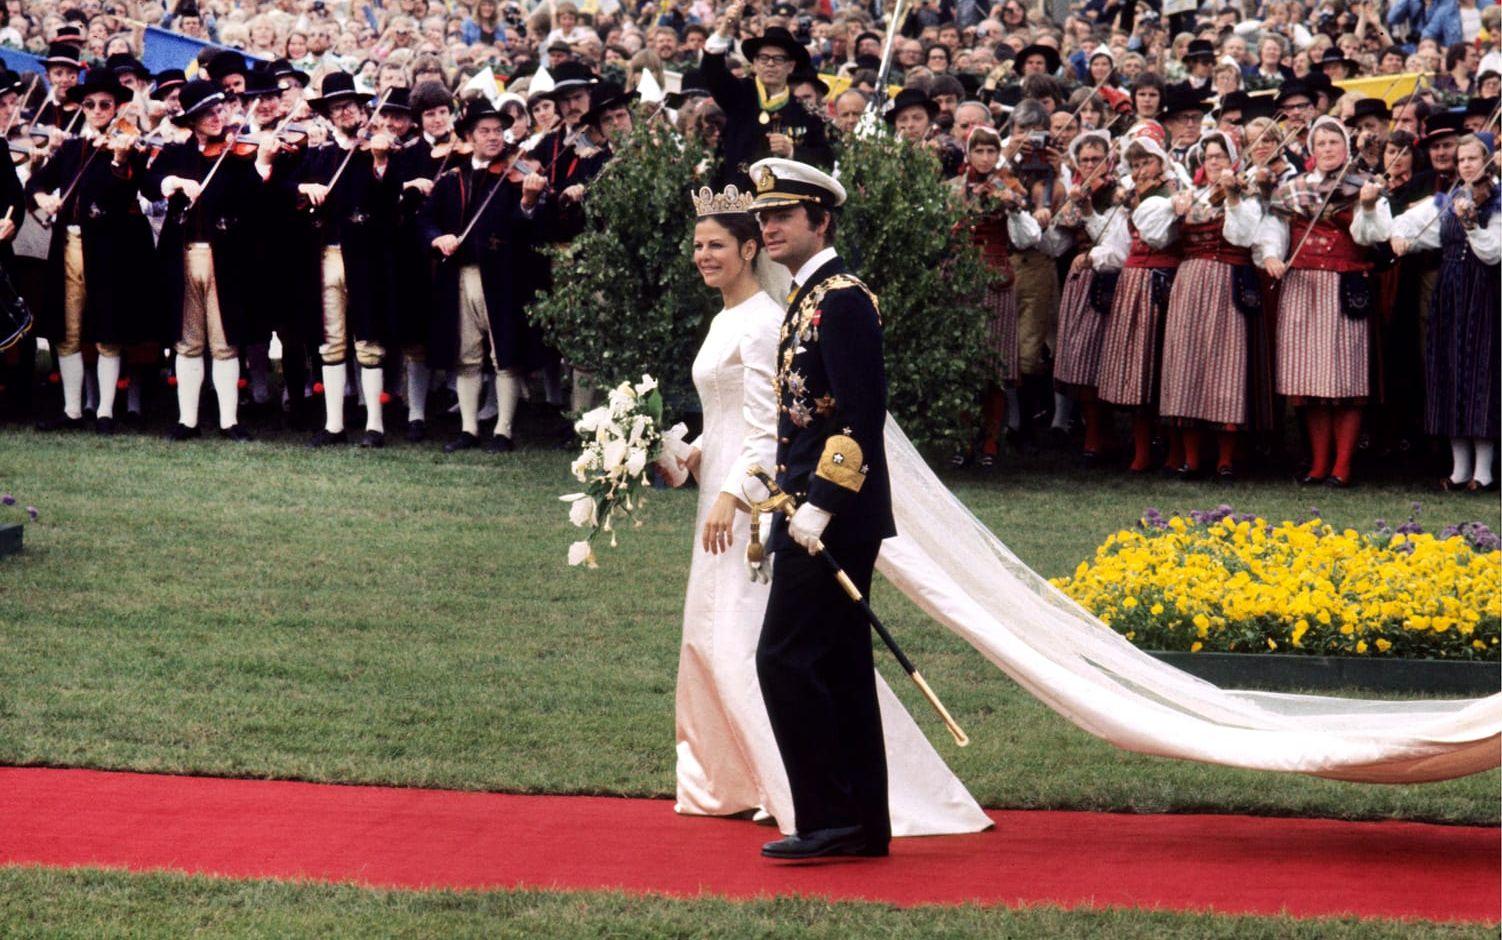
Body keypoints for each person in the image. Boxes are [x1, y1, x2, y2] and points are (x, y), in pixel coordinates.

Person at [748, 157, 896, 860]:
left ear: (821, 219)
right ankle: (859, 824)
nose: (769, 225)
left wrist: (823, 507)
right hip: (811, 510)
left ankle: (832, 817)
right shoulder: (809, 295)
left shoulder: (840, 299)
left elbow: (863, 419)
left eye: (783, 215)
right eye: (763, 216)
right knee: (836, 664)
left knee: (782, 658)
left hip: (831, 516)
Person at [1257, 116, 1393, 487]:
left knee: (1344, 382)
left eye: (1335, 142)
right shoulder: (1294, 188)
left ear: (1346, 149)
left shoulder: (1363, 186)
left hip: (1344, 285)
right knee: (1310, 382)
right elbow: (1274, 227)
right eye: (1322, 144)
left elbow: (1374, 235)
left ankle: (1343, 464)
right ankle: (1318, 462)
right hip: (1303, 284)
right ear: (1312, 151)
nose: (1328, 149)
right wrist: (1271, 254)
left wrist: (1365, 206)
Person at [26, 70, 158, 435]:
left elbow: (141, 188)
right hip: (68, 244)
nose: (97, 110)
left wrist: (120, 162)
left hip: (110, 250)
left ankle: (104, 411)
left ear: (117, 108)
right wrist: (43, 198)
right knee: (67, 331)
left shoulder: (127, 147)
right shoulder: (71, 148)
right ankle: (70, 410)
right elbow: (38, 182)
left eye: (105, 105)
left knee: (107, 329)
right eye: (90, 105)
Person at [144, 80, 276, 442]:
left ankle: (229, 420)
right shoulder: (176, 154)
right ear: (192, 121)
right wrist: (173, 182)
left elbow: (255, 199)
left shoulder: (234, 157)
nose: (217, 118)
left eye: (219, 110)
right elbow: (149, 181)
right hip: (184, 255)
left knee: (225, 341)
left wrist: (260, 163)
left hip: (226, 259)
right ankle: (187, 420)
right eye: (208, 113)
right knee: (187, 341)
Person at [420, 99, 546, 453]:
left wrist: (529, 202)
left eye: (498, 131)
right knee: (466, 354)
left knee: (504, 353)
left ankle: (504, 429)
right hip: (461, 276)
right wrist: (437, 237)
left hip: (502, 278)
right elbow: (425, 219)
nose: (494, 138)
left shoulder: (514, 175)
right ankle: (469, 428)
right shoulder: (451, 179)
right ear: (469, 137)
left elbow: (527, 225)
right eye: (485, 132)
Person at [296, 72, 401, 449]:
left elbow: (391, 203)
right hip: (328, 255)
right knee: (331, 341)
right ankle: (334, 425)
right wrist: (303, 188)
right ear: (327, 113)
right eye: (337, 107)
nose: (345, 112)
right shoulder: (317, 157)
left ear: (362, 109)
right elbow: (290, 196)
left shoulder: (377, 151)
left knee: (369, 339)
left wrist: (380, 162)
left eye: (351, 105)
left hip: (367, 257)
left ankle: (374, 425)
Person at [1390, 133, 1500, 490]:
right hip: (1451, 290)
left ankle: (1483, 471)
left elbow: (1491, 253)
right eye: (1462, 159)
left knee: (1480, 373)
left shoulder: (1497, 201)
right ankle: (1458, 469)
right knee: (1449, 370)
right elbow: (1411, 222)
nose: (1467, 165)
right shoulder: (1447, 197)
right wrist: (1402, 237)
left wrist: (1471, 225)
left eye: (1473, 158)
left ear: (1487, 160)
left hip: (1485, 292)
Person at [1157, 131, 1264, 480]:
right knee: (1186, 362)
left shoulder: (1246, 195)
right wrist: (1174, 209)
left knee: (1224, 363)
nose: (1214, 162)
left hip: (1227, 280)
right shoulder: (1193, 196)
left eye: (1221, 156)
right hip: (1189, 282)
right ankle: (1190, 456)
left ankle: (1226, 458)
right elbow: (1162, 237)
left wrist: (1232, 196)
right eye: (1209, 157)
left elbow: (1243, 236)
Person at [703, 1, 832, 189]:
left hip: (784, 204)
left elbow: (825, 161)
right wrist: (725, 28)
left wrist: (791, 151)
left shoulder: (806, 113)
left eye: (778, 59)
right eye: (764, 58)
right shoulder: (739, 94)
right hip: (737, 201)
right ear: (754, 63)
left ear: (791, 66)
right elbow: (712, 71)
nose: (770, 64)